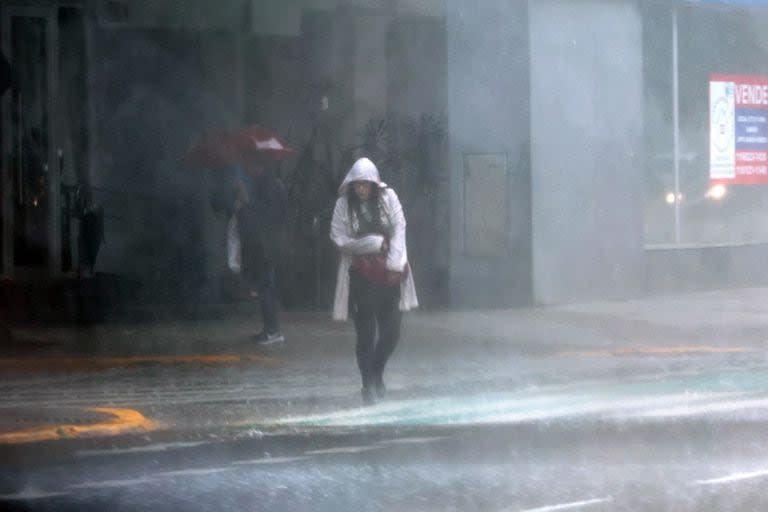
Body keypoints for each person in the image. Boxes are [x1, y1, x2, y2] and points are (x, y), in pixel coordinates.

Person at [330, 157, 418, 405]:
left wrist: (394, 263)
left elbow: (400, 228)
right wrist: (371, 244)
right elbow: (339, 239)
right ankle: (367, 385)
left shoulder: (389, 198)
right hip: (361, 280)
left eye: (365, 184)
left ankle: (376, 371)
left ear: (374, 183)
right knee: (365, 335)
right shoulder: (343, 205)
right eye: (357, 184)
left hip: (389, 278)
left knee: (392, 333)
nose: (361, 189)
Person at [236, 156, 287, 345]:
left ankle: (273, 330)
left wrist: (247, 201)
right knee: (265, 285)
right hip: (267, 244)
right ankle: (269, 328)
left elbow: (269, 215)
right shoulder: (266, 183)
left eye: (249, 164)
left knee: (266, 286)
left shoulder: (269, 185)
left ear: (258, 165)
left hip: (267, 244)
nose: (247, 168)